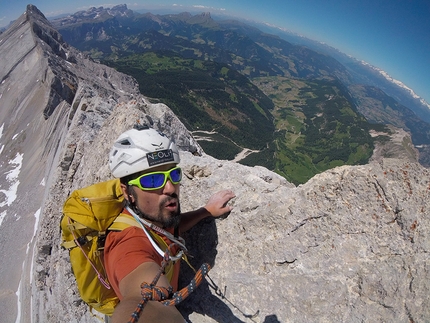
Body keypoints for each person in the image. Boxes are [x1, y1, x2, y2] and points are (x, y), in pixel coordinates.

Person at [104, 125, 235, 323]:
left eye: (173, 174)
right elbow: (140, 297)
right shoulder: (126, 244)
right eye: (152, 180)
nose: (170, 187)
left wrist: (205, 211)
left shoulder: (150, 218)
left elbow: (170, 228)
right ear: (127, 192)